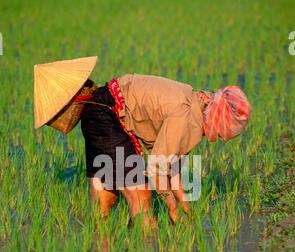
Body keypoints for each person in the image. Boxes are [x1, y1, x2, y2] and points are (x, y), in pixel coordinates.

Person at [34, 56, 252, 229]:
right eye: (223, 132)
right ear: (218, 119)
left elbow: (172, 165)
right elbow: (157, 168)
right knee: (141, 195)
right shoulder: (186, 118)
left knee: (106, 197)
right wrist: (172, 208)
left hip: (99, 110)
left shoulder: (194, 102)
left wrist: (184, 205)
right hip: (108, 117)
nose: (221, 137)